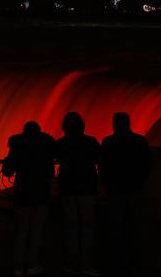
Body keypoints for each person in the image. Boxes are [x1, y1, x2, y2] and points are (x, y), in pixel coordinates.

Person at [100, 112, 153, 273]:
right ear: (129, 123)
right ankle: (135, 262)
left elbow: (103, 167)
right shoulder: (140, 141)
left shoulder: (108, 142)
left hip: (116, 191)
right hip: (135, 190)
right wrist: (140, 180)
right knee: (134, 227)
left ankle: (117, 263)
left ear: (115, 124)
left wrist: (108, 184)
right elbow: (148, 164)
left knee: (116, 228)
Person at [3, 121, 56, 276]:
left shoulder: (17, 146)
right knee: (37, 230)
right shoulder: (45, 147)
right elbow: (50, 172)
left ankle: (18, 267)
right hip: (40, 191)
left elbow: (7, 171)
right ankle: (33, 265)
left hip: (22, 191)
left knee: (22, 231)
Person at [56, 112, 101, 276]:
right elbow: (100, 158)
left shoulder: (61, 143)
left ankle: (71, 264)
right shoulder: (91, 142)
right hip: (86, 189)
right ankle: (85, 264)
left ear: (65, 127)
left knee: (71, 227)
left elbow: (54, 158)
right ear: (82, 126)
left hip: (67, 189)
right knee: (87, 227)